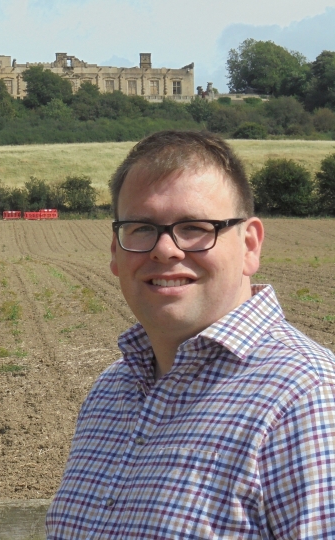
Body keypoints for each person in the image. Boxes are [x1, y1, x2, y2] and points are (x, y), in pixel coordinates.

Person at [46, 130, 335, 539]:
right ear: (115, 250)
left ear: (249, 245)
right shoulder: (111, 392)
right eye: (142, 228)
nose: (165, 250)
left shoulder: (308, 401)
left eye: (195, 227)